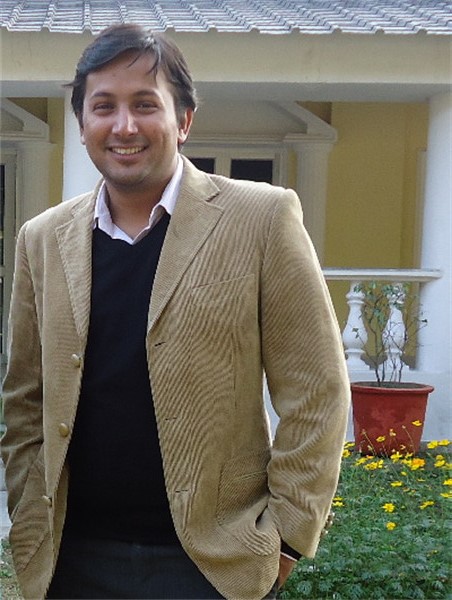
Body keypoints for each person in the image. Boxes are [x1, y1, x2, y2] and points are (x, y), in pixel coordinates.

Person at [1, 23, 350, 600]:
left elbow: (317, 390)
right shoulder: (42, 239)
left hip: (212, 565)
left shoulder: (261, 219)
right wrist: (26, 511)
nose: (124, 126)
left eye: (146, 104)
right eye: (103, 107)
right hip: (71, 560)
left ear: (183, 120)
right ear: (82, 125)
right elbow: (24, 400)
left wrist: (286, 538)